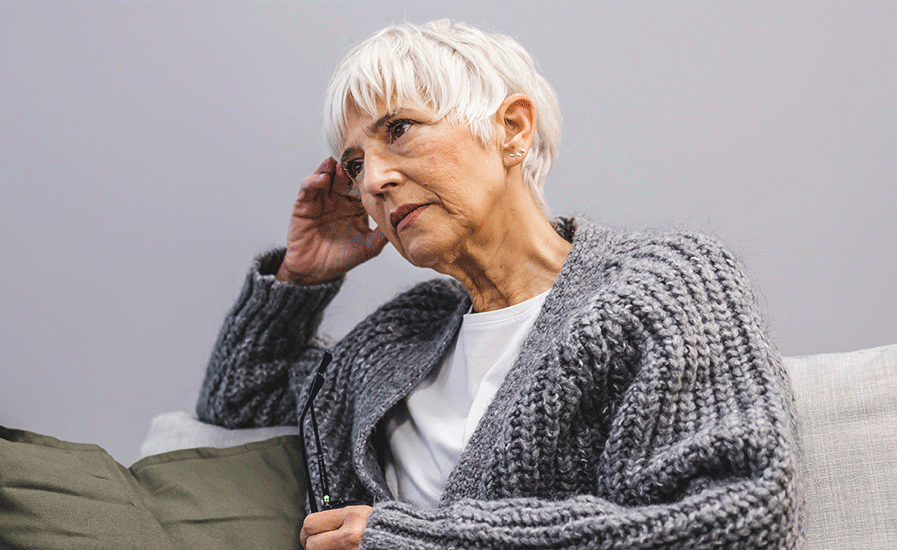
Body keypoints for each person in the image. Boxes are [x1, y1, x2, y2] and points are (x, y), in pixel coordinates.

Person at [198, 19, 803, 550]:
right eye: (355, 165)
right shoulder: (403, 335)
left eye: (399, 130)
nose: (373, 180)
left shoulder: (659, 285)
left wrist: (419, 542)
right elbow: (238, 406)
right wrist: (303, 275)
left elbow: (743, 518)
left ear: (512, 128)